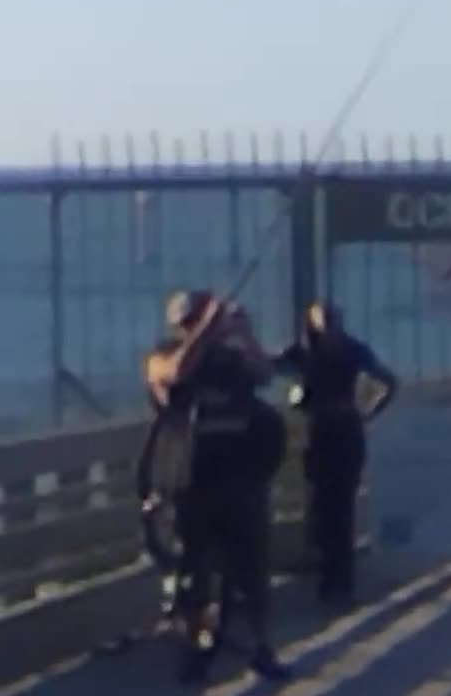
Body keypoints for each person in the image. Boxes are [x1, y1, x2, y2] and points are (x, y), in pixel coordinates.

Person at [143, 291, 290, 683]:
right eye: (193, 320)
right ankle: (192, 653)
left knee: (251, 571)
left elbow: (264, 375)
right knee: (193, 574)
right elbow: (175, 374)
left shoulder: (230, 359)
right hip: (189, 482)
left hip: (240, 479)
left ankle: (258, 648)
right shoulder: (165, 354)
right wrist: (207, 331)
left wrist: (244, 334)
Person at [275, 302, 396, 603]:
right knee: (337, 505)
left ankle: (331, 576)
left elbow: (270, 367)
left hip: (323, 430)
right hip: (344, 428)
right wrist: (367, 412)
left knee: (326, 504)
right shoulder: (352, 348)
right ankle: (337, 578)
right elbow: (389, 381)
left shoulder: (306, 351)